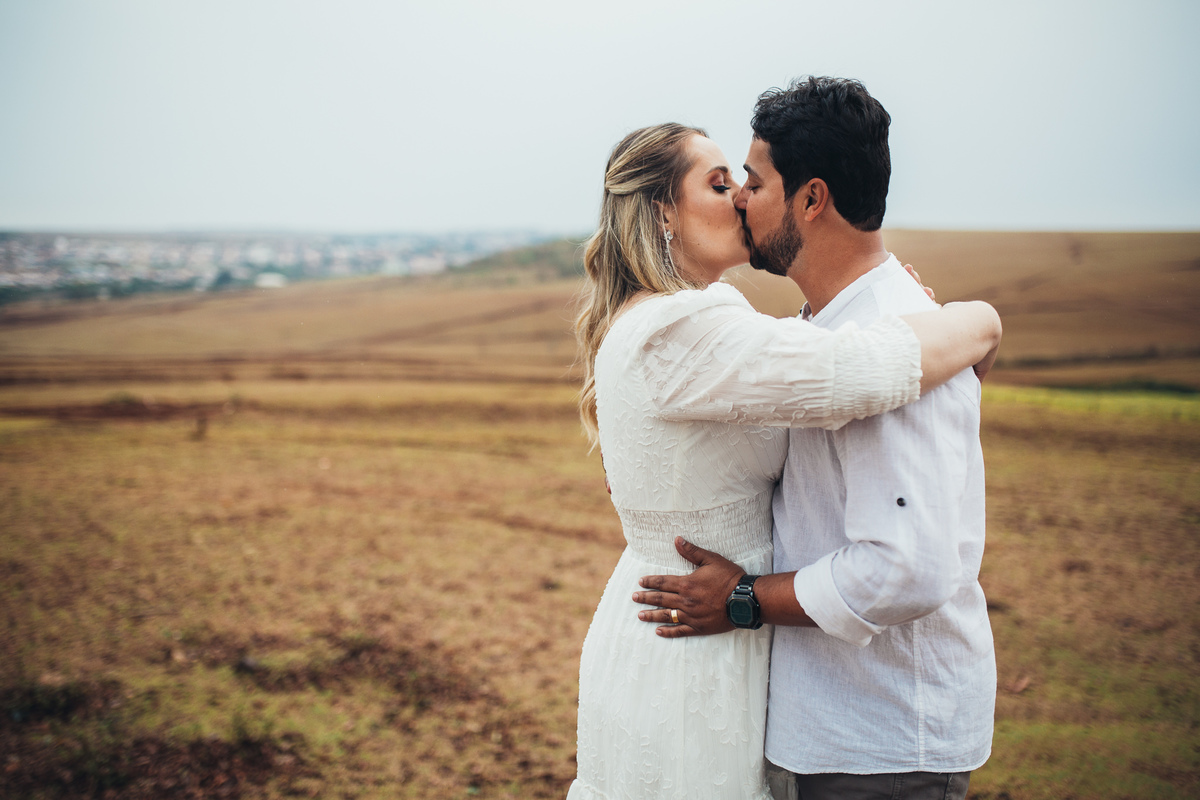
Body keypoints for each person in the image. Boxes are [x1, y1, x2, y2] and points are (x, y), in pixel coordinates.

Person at [567, 109, 1001, 797]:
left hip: (691, 635)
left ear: (811, 197)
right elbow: (849, 371)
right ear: (663, 216)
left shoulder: (679, 319)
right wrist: (977, 322)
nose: (740, 196)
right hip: (695, 646)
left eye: (747, 180)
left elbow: (799, 366)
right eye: (720, 184)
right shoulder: (683, 326)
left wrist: (910, 323)